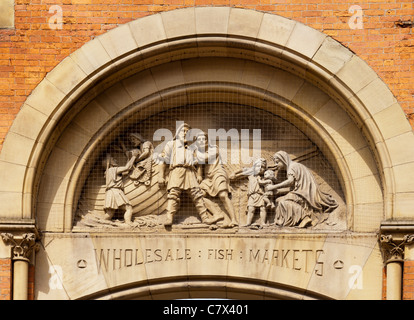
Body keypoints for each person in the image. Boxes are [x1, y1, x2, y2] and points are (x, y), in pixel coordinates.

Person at [158, 123, 222, 226]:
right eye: (183, 131)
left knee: (197, 195)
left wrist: (199, 175)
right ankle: (169, 218)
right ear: (178, 133)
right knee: (173, 194)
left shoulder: (192, 148)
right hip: (176, 170)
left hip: (191, 172)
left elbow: (198, 163)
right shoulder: (171, 144)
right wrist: (161, 176)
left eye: (187, 132)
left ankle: (205, 218)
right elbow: (163, 160)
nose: (185, 133)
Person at [266, 151, 338, 228]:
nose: (276, 165)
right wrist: (278, 192)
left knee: (281, 202)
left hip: (302, 195)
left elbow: (290, 182)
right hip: (301, 193)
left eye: (277, 162)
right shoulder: (296, 166)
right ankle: (280, 222)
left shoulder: (292, 167)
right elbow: (294, 188)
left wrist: (273, 187)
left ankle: (304, 217)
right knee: (278, 200)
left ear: (283, 159)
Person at [194, 132, 238, 227]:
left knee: (223, 195)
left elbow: (206, 158)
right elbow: (199, 166)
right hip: (208, 177)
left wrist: (195, 158)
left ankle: (234, 220)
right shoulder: (198, 152)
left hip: (218, 173)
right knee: (199, 195)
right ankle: (217, 214)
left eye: (203, 139)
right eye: (199, 140)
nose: (201, 141)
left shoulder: (214, 148)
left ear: (207, 140)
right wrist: (199, 175)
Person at [103, 150, 139, 224]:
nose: (115, 160)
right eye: (113, 159)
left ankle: (100, 223)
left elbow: (126, 171)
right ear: (109, 162)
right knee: (129, 208)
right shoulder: (114, 170)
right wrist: (134, 156)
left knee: (109, 214)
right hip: (116, 192)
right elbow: (127, 168)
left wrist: (129, 159)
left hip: (110, 193)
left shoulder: (108, 172)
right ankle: (128, 223)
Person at [245, 158, 269, 227]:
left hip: (261, 195)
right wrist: (235, 175)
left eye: (263, 167)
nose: (260, 169)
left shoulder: (265, 177)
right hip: (252, 195)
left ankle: (263, 222)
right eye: (258, 166)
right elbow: (242, 172)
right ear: (254, 167)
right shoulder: (250, 176)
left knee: (263, 208)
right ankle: (248, 223)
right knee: (251, 209)